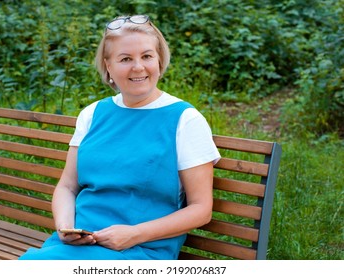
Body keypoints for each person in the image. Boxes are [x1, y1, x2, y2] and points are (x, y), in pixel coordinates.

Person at [19, 15, 220, 260]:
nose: (138, 67)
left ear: (159, 60)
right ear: (109, 66)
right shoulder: (92, 114)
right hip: (76, 246)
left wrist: (135, 234)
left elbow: (201, 209)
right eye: (126, 59)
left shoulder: (185, 120)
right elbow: (67, 186)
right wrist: (64, 227)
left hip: (142, 249)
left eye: (147, 56)